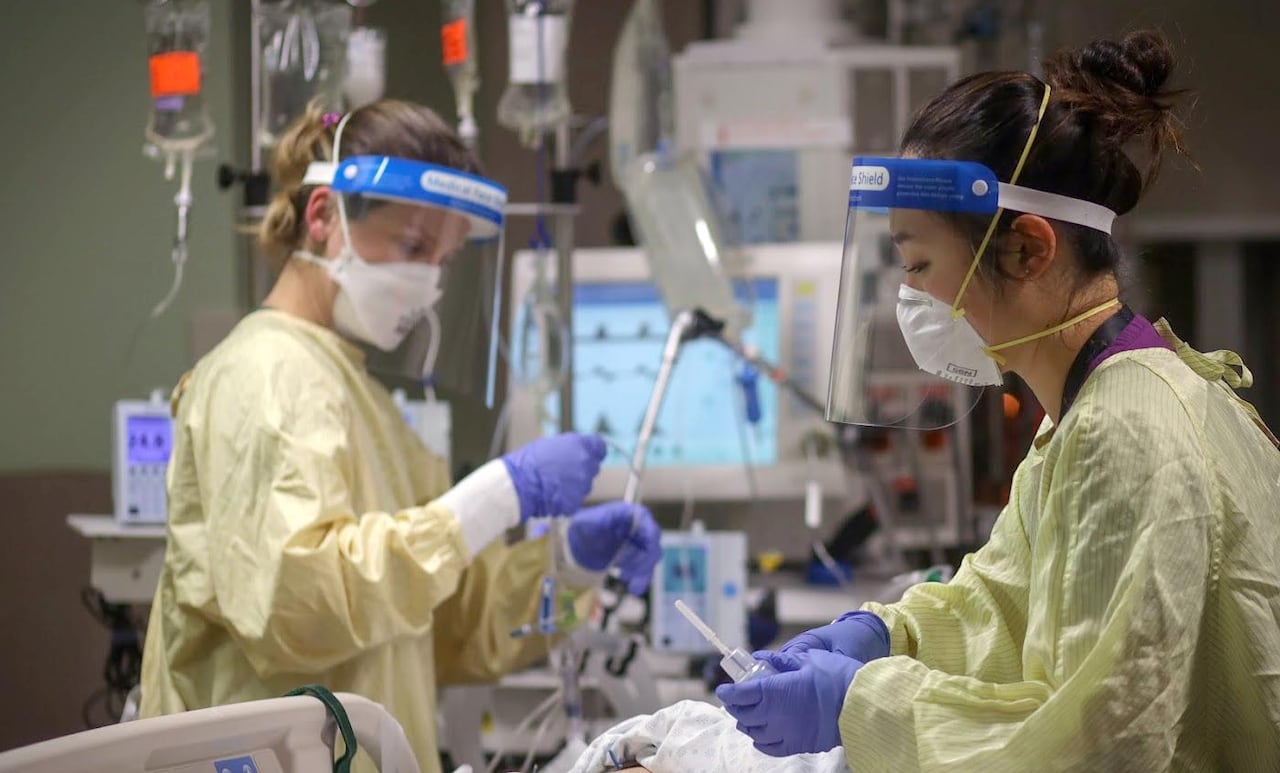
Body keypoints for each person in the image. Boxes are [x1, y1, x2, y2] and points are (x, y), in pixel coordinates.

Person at [717, 30, 1280, 771]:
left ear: (1028, 249)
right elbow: (1009, 606)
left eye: (919, 264)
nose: (909, 299)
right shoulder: (1090, 407)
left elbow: (1100, 744)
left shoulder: (1128, 430)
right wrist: (886, 636)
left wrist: (860, 701)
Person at [138, 100, 663, 773]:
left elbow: (443, 627)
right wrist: (497, 495)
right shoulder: (264, 373)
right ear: (324, 217)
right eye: (414, 246)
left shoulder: (369, 404)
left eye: (442, 260)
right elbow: (297, 605)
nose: (428, 284)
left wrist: (564, 566)